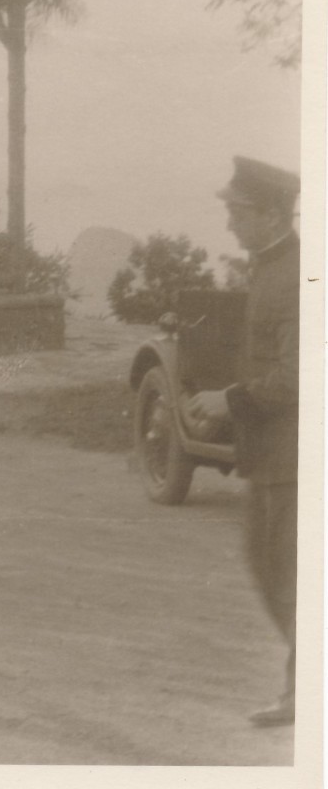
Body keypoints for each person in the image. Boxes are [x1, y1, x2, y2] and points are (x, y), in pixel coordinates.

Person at [189, 156, 300, 729]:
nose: (229, 222)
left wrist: (228, 400)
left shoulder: (296, 273)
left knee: (289, 578)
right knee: (272, 570)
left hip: (297, 462)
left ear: (273, 214)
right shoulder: (270, 266)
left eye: (238, 211)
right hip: (272, 457)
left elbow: (300, 375)